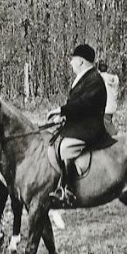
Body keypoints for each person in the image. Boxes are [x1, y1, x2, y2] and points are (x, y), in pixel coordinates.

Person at [46, 43, 113, 207]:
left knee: (65, 147)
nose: (71, 63)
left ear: (81, 61)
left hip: (90, 127)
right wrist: (63, 118)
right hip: (80, 123)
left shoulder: (95, 79)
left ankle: (68, 190)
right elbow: (77, 105)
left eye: (73, 60)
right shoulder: (85, 77)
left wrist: (61, 110)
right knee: (54, 141)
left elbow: (84, 104)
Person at [97, 59, 120, 136]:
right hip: (112, 105)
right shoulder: (114, 78)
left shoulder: (100, 78)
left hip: (104, 106)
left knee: (107, 125)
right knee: (106, 122)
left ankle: (116, 138)